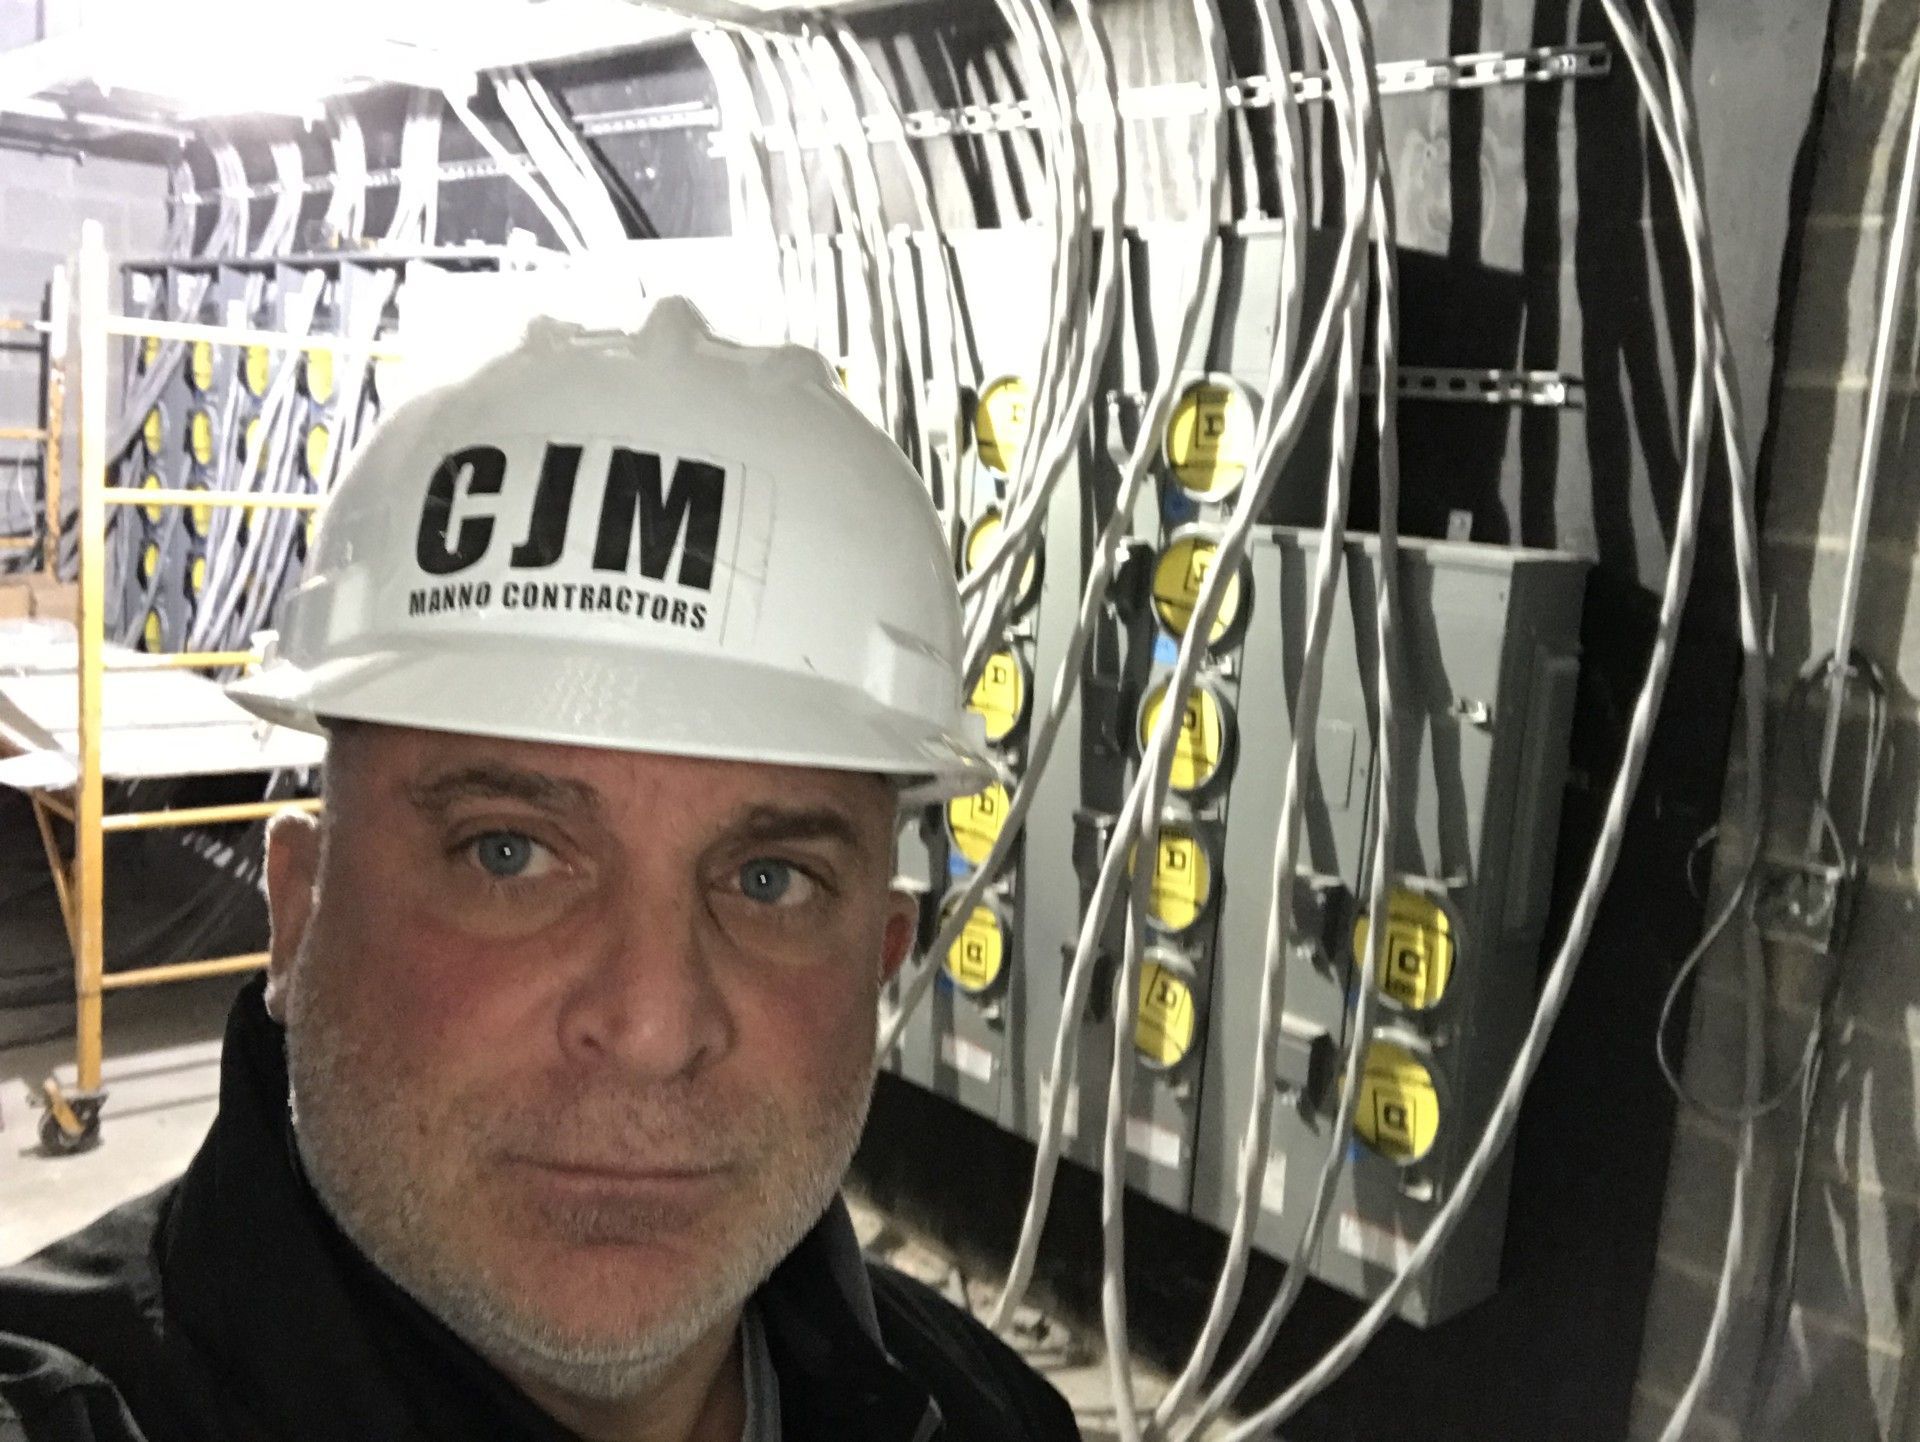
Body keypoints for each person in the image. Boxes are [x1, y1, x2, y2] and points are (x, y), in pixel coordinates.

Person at [0, 298, 1081, 1442]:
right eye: (508, 852)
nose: (655, 1023)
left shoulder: (981, 1409)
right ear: (298, 913)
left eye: (769, 878)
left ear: (881, 961)